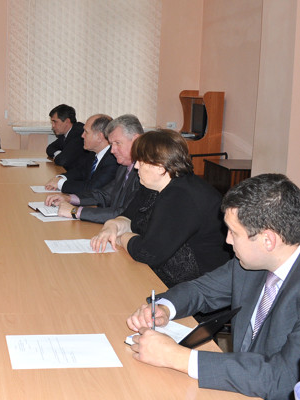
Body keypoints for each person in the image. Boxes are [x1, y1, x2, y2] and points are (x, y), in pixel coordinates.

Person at [127, 173, 300, 399]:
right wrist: (165, 308)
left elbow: (281, 378)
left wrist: (177, 357)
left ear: (268, 240)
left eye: (234, 233)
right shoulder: (251, 264)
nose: (227, 240)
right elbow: (202, 289)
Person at [91, 129, 230, 287]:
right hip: (161, 272)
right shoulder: (154, 185)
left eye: (141, 162)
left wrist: (122, 238)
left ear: (160, 167)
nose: (136, 167)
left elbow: (148, 254)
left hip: (198, 285)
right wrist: (112, 226)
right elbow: (129, 216)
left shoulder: (181, 196)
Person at [45, 114, 144, 223]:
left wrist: (75, 211)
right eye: (112, 144)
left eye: (117, 143)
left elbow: (124, 213)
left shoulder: (144, 172)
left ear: (135, 140)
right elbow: (104, 195)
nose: (112, 150)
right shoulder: (125, 166)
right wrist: (69, 198)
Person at [44, 114, 118, 197]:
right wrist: (62, 177)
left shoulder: (113, 159)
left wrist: (61, 184)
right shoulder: (93, 152)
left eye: (86, 132)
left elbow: (93, 188)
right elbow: (81, 171)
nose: (82, 136)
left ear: (99, 137)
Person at [45, 104, 86, 170]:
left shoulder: (79, 134)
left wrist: (59, 156)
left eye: (55, 122)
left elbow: (62, 160)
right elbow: (49, 148)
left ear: (67, 121)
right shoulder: (64, 134)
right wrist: (59, 153)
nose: (53, 126)